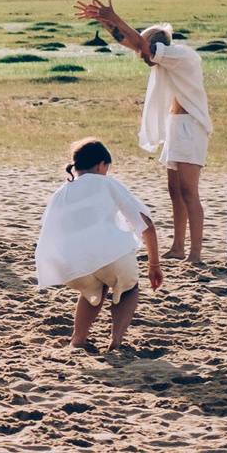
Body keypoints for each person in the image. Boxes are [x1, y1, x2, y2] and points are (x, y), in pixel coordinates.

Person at [76, 0, 212, 262]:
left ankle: (195, 253)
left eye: (145, 51)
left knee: (189, 192)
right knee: (174, 190)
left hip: (191, 127)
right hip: (176, 127)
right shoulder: (165, 57)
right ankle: (178, 247)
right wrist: (103, 20)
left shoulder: (180, 56)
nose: (141, 57)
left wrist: (113, 17)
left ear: (156, 46)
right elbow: (129, 41)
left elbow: (140, 44)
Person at [36, 139, 163, 352]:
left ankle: (78, 339)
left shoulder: (61, 191)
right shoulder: (105, 183)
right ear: (101, 165)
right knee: (128, 289)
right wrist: (154, 265)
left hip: (69, 263)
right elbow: (146, 224)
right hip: (109, 254)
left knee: (92, 290)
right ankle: (116, 341)